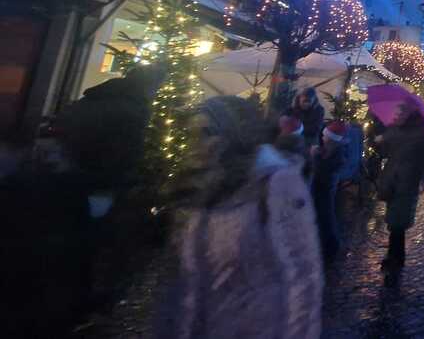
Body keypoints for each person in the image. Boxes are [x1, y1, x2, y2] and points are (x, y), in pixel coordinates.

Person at [157, 96, 322, 338]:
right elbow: (182, 282)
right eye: (190, 133)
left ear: (232, 134)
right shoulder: (193, 187)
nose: (197, 143)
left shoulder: (276, 182)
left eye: (207, 132)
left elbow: (303, 276)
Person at [55, 65, 166, 323]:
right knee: (96, 245)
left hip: (69, 178)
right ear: (151, 85)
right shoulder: (133, 110)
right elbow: (124, 155)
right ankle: (83, 305)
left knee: (72, 241)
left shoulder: (95, 98)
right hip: (100, 185)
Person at [375, 102, 424, 286]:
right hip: (391, 179)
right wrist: (379, 142)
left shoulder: (421, 134)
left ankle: (394, 257)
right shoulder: (393, 130)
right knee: (394, 219)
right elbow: (385, 153)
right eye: (397, 111)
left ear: (409, 115)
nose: (398, 114)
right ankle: (395, 256)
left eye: (401, 112)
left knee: (398, 221)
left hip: (408, 180)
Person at [310, 119, 348, 263]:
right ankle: (328, 245)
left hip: (325, 189)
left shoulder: (337, 155)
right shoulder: (329, 150)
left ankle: (331, 247)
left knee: (326, 218)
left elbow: (324, 171)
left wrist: (315, 157)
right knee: (324, 217)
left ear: (332, 139)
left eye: (325, 136)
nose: (322, 137)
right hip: (323, 188)